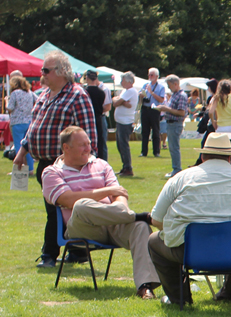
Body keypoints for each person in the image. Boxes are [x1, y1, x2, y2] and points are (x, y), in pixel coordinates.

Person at [146, 132, 231, 306]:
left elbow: (156, 219)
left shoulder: (180, 178)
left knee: (154, 241)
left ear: (203, 157)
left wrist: (179, 232)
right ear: (230, 158)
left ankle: (179, 299)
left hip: (190, 252)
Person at [41, 126, 160, 297]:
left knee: (140, 226)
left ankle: (145, 286)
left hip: (113, 223)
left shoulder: (101, 165)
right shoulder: (52, 172)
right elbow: (68, 200)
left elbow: (119, 195)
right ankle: (137, 216)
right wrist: (106, 191)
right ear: (66, 148)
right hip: (82, 228)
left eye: (89, 143)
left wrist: (121, 208)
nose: (88, 148)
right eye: (82, 145)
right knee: (80, 205)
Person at [11, 51, 97, 270]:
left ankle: (49, 254)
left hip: (66, 166)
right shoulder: (44, 95)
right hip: (45, 164)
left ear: (61, 71)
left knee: (56, 210)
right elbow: (33, 127)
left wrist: (87, 163)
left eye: (46, 70)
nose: (42, 74)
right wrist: (22, 151)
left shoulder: (77, 96)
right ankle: (77, 251)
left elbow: (89, 134)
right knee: (60, 211)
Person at [157, 75, 188, 178]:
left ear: (175, 84)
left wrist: (166, 109)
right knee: (172, 147)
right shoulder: (175, 94)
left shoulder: (181, 95)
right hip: (171, 123)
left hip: (175, 124)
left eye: (169, 85)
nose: (168, 87)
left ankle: (177, 170)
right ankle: (175, 168)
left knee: (174, 148)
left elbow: (181, 112)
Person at [110, 72, 138, 178]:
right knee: (120, 145)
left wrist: (120, 101)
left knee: (123, 146)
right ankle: (125, 166)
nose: (121, 82)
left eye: (123, 80)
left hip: (125, 122)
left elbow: (116, 102)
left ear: (129, 81)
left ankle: (128, 167)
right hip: (121, 122)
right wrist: (123, 102)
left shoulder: (130, 91)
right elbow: (115, 99)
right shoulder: (125, 91)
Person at [82, 70, 110, 161]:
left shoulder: (85, 92)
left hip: (88, 119)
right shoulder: (101, 92)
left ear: (87, 78)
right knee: (100, 142)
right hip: (99, 118)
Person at [140, 68, 165, 158]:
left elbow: (161, 100)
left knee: (156, 131)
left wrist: (152, 93)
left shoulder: (161, 87)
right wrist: (141, 95)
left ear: (157, 76)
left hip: (154, 110)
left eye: (152, 75)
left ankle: (156, 151)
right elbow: (141, 94)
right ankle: (144, 152)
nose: (150, 76)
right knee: (145, 131)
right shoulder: (145, 85)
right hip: (145, 108)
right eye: (149, 75)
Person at [6, 75, 35, 154]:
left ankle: (19, 161)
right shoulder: (29, 92)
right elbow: (37, 100)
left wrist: (6, 101)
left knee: (18, 146)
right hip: (28, 121)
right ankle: (30, 162)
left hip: (17, 122)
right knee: (27, 146)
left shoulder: (15, 93)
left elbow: (10, 108)